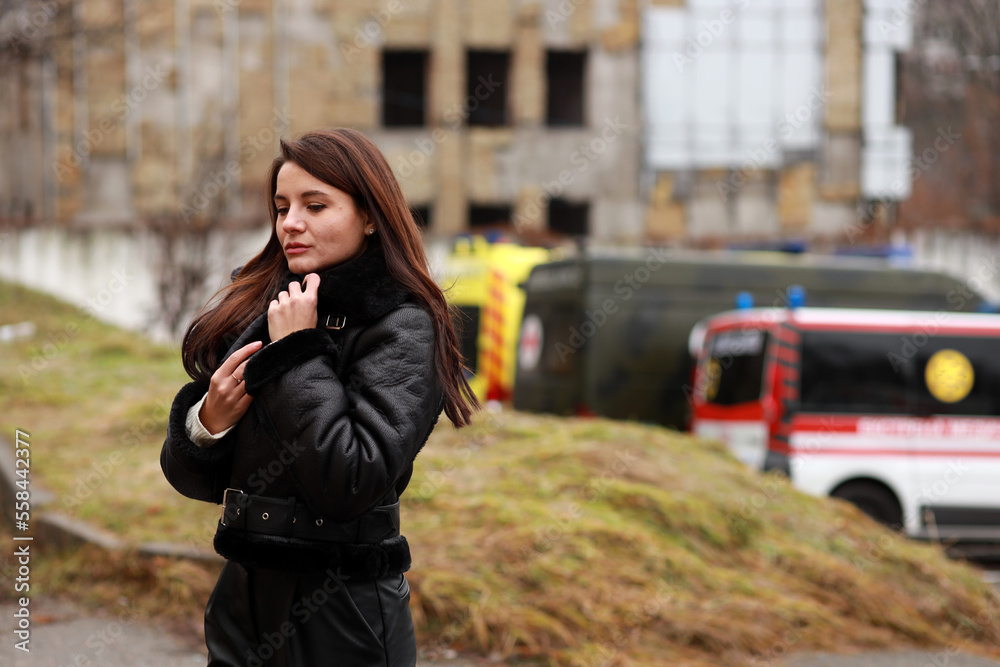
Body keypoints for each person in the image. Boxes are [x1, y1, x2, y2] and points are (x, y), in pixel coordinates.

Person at [160, 128, 479, 667]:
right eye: (282, 207)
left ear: (370, 215)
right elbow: (190, 479)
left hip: (343, 614)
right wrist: (207, 422)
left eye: (315, 205)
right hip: (241, 603)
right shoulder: (270, 306)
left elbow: (350, 481)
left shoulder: (401, 323)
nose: (290, 223)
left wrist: (297, 352)